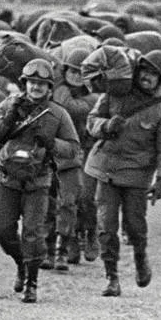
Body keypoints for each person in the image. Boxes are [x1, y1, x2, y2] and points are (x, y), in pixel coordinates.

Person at [0, 59, 79, 303]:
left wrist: (51, 142)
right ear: (25, 84)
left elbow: (73, 149)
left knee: (33, 234)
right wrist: (9, 117)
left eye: (41, 84)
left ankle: (32, 282)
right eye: (32, 83)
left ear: (49, 88)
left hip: (38, 182)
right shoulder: (9, 105)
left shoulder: (57, 114)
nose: (36, 88)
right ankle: (20, 264)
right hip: (7, 179)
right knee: (2, 231)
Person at [83, 49, 161, 296]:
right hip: (106, 170)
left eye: (155, 74)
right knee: (106, 227)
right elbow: (91, 120)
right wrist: (105, 125)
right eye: (145, 71)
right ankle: (112, 277)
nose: (147, 77)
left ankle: (141, 258)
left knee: (135, 226)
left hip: (136, 176)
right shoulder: (115, 93)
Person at [52, 46, 101, 267]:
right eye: (71, 71)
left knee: (86, 198)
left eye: (80, 72)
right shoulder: (58, 90)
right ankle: (70, 239)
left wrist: (59, 88)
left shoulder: (93, 98)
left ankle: (90, 232)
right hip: (65, 151)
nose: (75, 76)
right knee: (64, 199)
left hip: (88, 151)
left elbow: (70, 108)